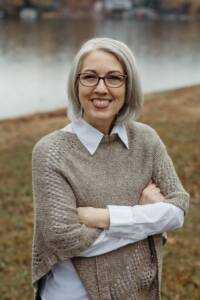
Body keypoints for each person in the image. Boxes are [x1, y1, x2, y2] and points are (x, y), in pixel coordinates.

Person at [32, 37, 189, 300]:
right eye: (90, 77)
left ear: (128, 86)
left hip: (139, 291)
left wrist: (102, 217)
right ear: (76, 84)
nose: (101, 89)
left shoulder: (146, 140)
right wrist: (146, 218)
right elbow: (64, 239)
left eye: (114, 78)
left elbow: (177, 211)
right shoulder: (51, 152)